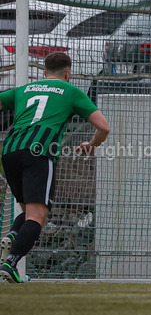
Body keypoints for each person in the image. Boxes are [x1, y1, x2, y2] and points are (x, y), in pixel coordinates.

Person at [0, 51, 110, 283]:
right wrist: (92, 145)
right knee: (38, 216)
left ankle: (13, 235)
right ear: (68, 72)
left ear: (43, 72)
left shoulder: (24, 89)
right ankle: (10, 264)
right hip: (39, 151)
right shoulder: (70, 91)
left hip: (10, 150)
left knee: (28, 212)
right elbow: (104, 127)